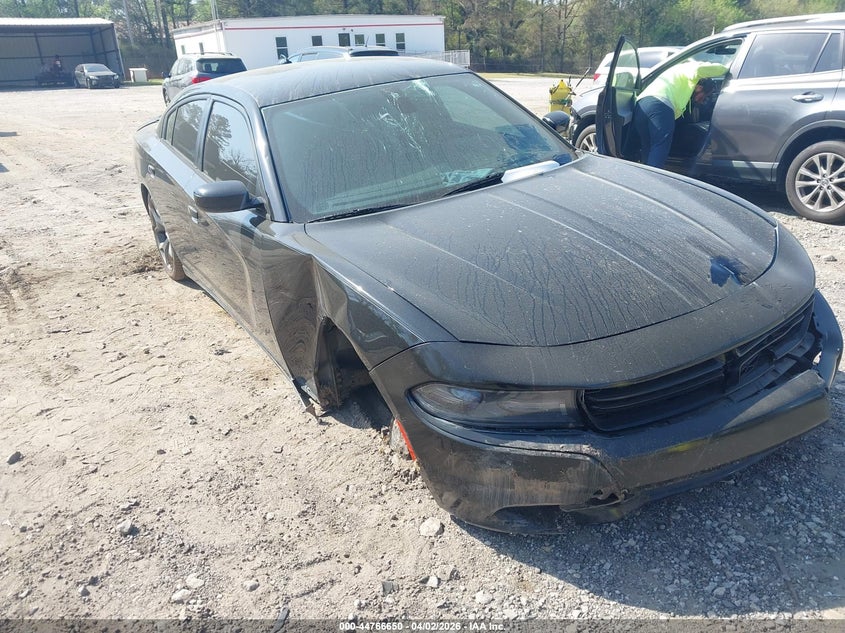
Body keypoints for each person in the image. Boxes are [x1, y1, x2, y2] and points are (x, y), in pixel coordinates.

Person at [632, 59, 728, 168]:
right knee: (660, 146)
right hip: (660, 105)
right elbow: (700, 69)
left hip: (642, 104)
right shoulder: (691, 69)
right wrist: (726, 69)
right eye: (704, 97)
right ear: (699, 88)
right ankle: (652, 177)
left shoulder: (676, 73)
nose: (702, 101)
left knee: (648, 146)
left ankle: (644, 175)